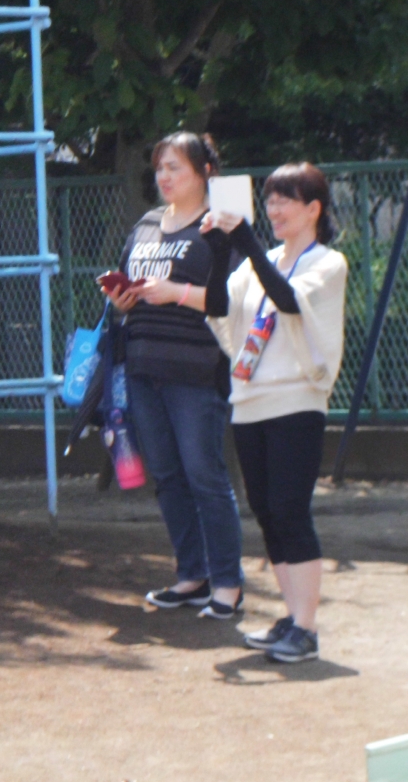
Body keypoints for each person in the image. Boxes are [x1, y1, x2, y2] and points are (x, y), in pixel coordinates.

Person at [202, 163, 347, 663]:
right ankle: (291, 617)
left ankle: (306, 628)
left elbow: (287, 300)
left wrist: (244, 241)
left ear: (314, 209)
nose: (275, 209)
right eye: (270, 199)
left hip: (296, 401)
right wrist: (220, 251)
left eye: (287, 199)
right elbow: (218, 306)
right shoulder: (256, 263)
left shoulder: (327, 262)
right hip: (249, 401)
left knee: (290, 508)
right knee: (266, 510)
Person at [101, 132, 245, 620]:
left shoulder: (221, 226)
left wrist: (175, 292)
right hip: (142, 367)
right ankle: (192, 576)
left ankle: (228, 584)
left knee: (205, 475)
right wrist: (121, 301)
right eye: (160, 167)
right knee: (165, 475)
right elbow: (128, 291)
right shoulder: (145, 225)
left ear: (205, 172)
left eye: (175, 167)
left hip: (197, 370)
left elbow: (235, 300)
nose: (163, 176)